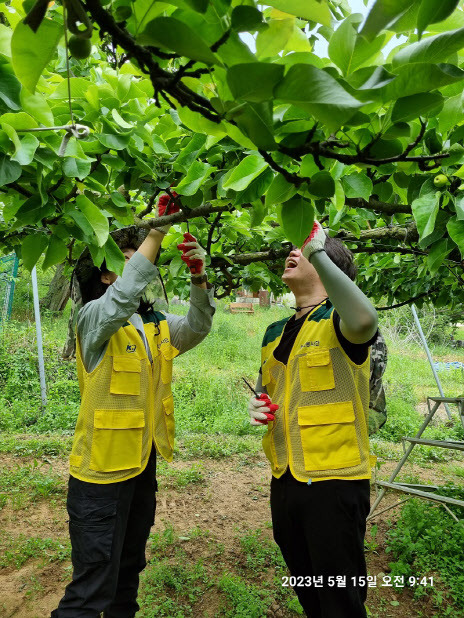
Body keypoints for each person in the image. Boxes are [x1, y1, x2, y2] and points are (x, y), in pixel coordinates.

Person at [52, 196, 215, 618]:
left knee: (128, 574)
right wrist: (155, 232)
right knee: (90, 590)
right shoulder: (91, 321)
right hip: (99, 476)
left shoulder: (155, 323)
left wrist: (200, 282)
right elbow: (121, 297)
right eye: (129, 258)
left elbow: (197, 327)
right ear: (106, 273)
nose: (142, 262)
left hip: (142, 468)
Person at [248, 221, 381, 618]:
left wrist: (318, 248)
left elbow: (364, 321)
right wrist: (257, 406)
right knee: (308, 588)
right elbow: (267, 390)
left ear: (326, 267)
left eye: (302, 251)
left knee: (340, 599)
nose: (293, 253)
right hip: (286, 478)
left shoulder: (341, 321)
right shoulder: (276, 330)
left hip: (334, 482)